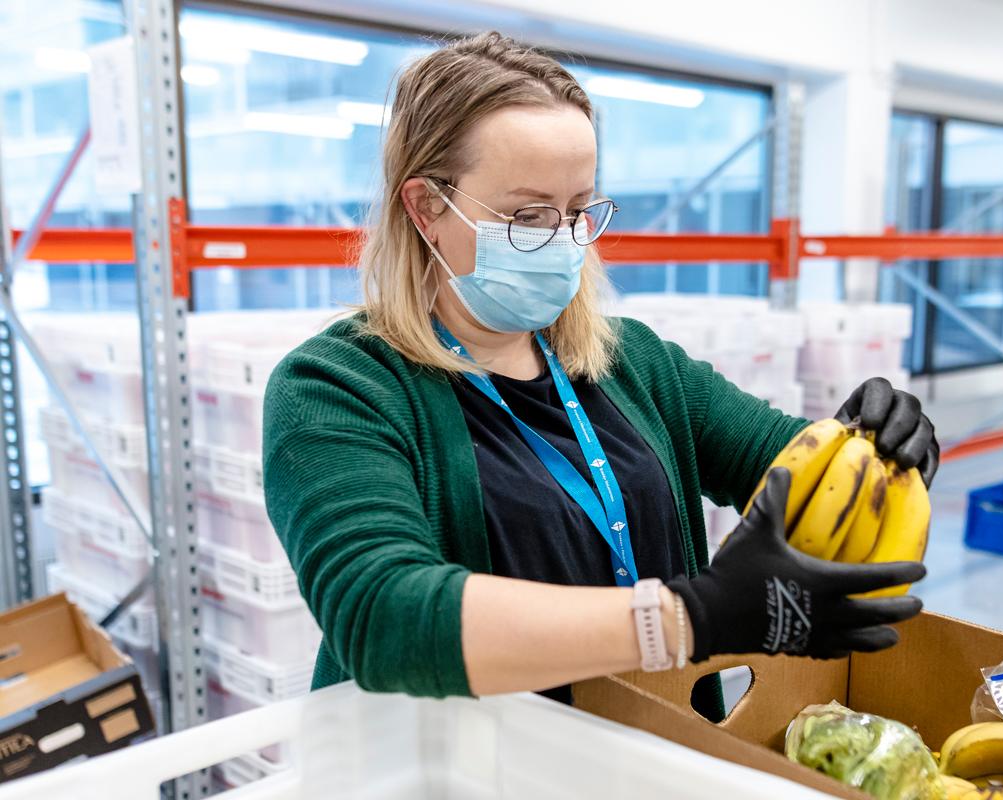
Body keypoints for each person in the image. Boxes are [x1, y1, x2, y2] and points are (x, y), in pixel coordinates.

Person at [262, 31, 938, 719]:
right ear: (426, 207)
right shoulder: (337, 389)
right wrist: (686, 618)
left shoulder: (631, 363)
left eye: (578, 209)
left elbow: (791, 465)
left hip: (652, 753)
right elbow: (384, 615)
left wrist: (880, 449)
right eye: (527, 215)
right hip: (459, 771)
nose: (562, 238)